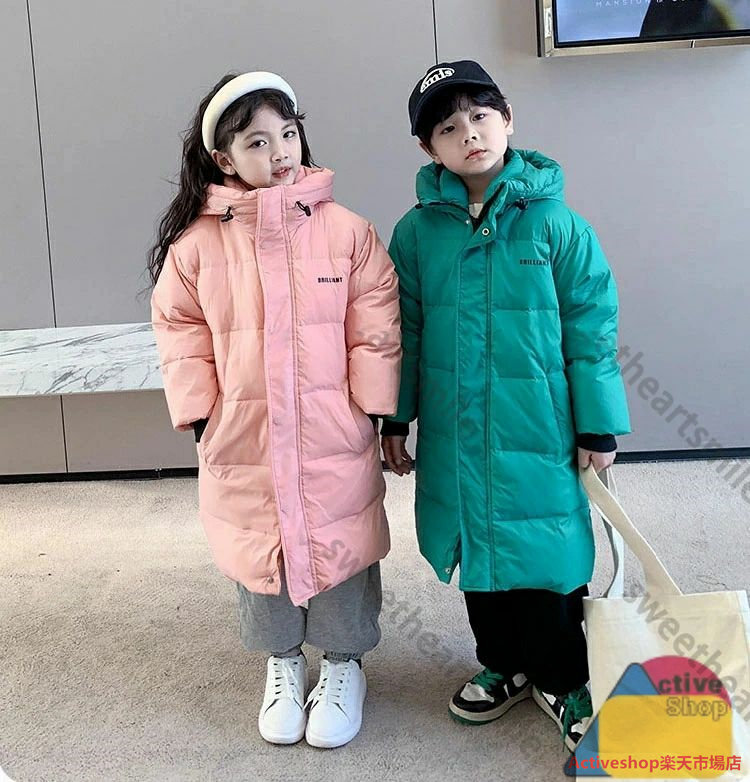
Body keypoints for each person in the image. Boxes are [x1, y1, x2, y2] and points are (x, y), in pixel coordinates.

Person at [380, 60, 631, 752]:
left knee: (548, 551)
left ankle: (565, 675)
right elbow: (404, 330)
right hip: (456, 432)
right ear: (428, 147)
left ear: (509, 119)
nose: (469, 134)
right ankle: (503, 662)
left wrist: (598, 423)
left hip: (542, 429)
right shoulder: (416, 233)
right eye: (448, 127)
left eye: (481, 116)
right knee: (477, 548)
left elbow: (591, 325)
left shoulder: (556, 224)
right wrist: (395, 416)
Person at [149, 71, 401, 748]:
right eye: (257, 142)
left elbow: (375, 323)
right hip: (245, 432)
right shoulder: (197, 247)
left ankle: (343, 664)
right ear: (225, 158)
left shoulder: (347, 232)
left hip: (330, 428)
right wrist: (203, 415)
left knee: (341, 535)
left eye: (287, 134)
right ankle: (283, 662)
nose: (280, 151)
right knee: (257, 543)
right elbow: (179, 328)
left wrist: (371, 409)